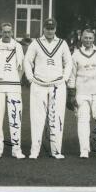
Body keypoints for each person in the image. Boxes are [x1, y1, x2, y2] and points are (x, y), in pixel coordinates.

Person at [24, 18, 72, 159]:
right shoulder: (36, 43)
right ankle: (35, 151)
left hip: (57, 85)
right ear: (43, 29)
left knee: (56, 118)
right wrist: (30, 78)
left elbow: (68, 62)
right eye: (47, 28)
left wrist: (65, 78)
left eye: (52, 28)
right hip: (39, 84)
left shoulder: (62, 43)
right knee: (37, 118)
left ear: (55, 29)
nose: (50, 31)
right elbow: (27, 61)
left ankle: (56, 150)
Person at [67, 28, 96, 158]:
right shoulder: (75, 54)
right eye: (86, 38)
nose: (88, 40)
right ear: (81, 38)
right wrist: (71, 94)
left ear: (94, 39)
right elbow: (72, 76)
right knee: (83, 120)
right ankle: (84, 150)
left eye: (90, 38)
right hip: (82, 93)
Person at [0, 22, 25, 159]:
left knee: (15, 119)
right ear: (1, 32)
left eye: (9, 32)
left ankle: (16, 149)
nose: (7, 34)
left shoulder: (18, 46)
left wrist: (16, 81)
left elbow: (22, 68)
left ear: (12, 32)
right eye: (5, 32)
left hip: (14, 86)